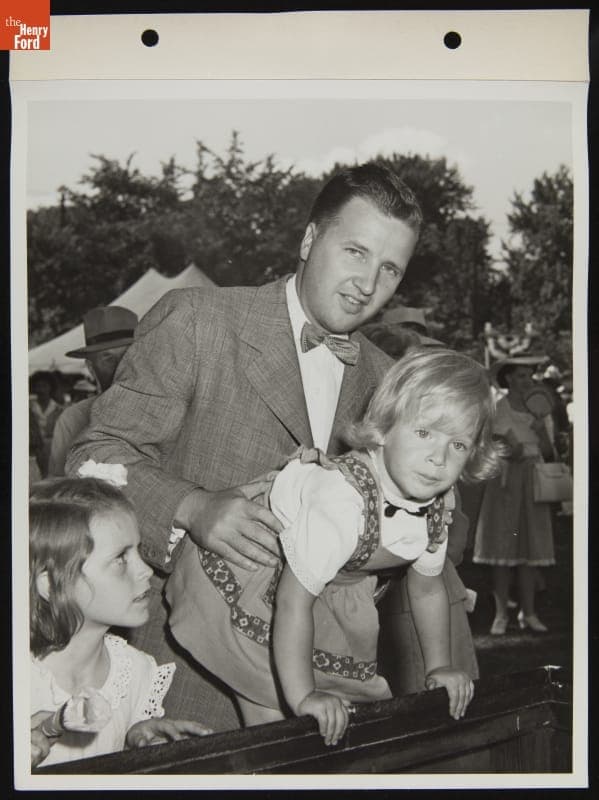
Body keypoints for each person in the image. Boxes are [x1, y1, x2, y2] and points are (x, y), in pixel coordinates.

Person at [66, 162, 477, 729]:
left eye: (389, 269)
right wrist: (192, 508)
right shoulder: (197, 319)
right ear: (310, 239)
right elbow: (91, 459)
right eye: (355, 252)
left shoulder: (390, 384)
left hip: (323, 691)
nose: (367, 284)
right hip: (183, 676)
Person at [166, 348, 502, 744]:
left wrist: (440, 666)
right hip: (257, 568)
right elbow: (292, 601)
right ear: (384, 430)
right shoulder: (342, 502)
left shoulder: (434, 507)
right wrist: (303, 696)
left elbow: (427, 588)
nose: (438, 459)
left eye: (458, 445)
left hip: (329, 582)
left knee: (333, 713)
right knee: (274, 712)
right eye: (424, 433)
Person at [29, 476, 211, 769]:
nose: (144, 571)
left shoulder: (135, 671)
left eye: (137, 551)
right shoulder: (21, 679)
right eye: (120, 559)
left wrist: (131, 744)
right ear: (51, 584)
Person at [473, 356, 556, 635]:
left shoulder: (539, 411)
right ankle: (500, 615)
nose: (527, 380)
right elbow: (499, 448)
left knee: (531, 548)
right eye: (521, 375)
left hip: (533, 480)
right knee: (503, 547)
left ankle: (529, 612)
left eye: (529, 375)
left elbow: (547, 451)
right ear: (508, 379)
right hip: (507, 482)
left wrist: (539, 432)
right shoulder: (499, 408)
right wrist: (513, 447)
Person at [47, 306, 138, 477]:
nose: (121, 366)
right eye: (108, 358)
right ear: (91, 368)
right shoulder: (72, 420)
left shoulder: (168, 414)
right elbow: (59, 490)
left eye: (128, 355)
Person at [30, 371, 64, 476]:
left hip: (52, 448)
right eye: (38, 386)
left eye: (44, 386)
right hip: (33, 449)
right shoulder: (28, 407)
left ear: (51, 388)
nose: (41, 390)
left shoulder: (59, 409)